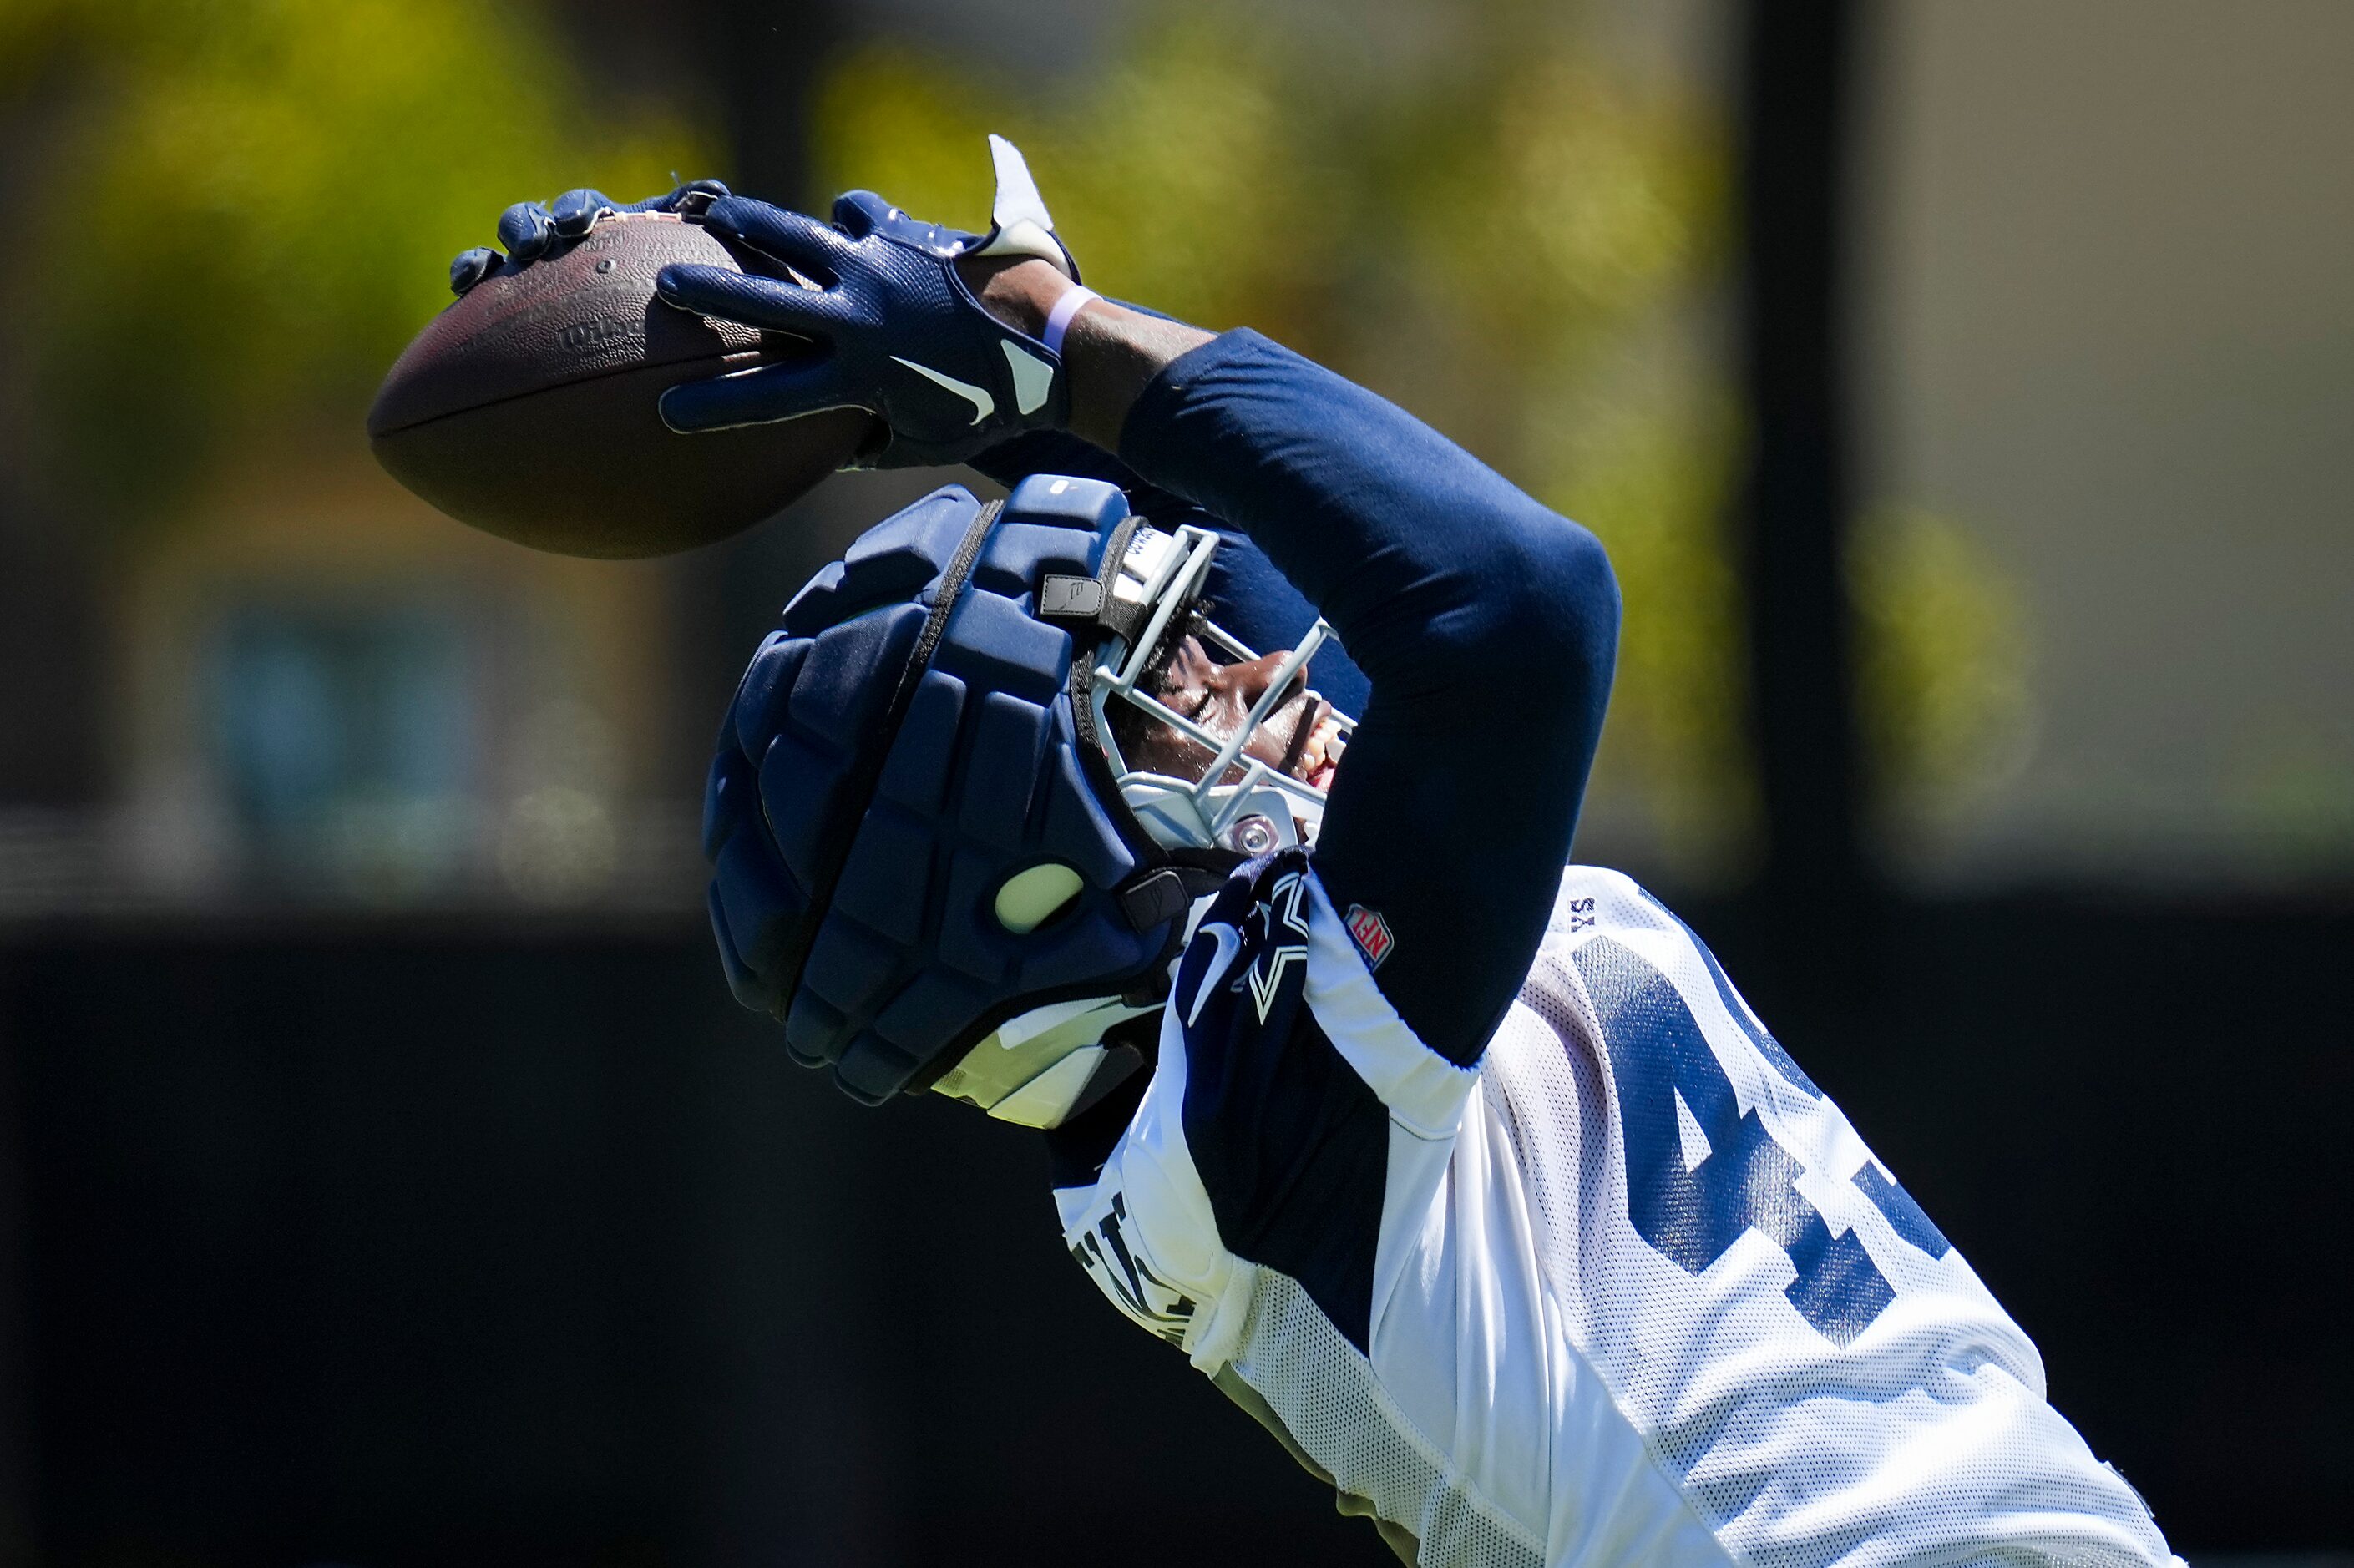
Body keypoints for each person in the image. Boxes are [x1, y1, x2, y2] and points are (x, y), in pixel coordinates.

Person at [458, 141, 2178, 1568]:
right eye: (1161, 682)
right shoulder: (1262, 1091)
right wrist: (1048, 338)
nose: (1256, 671)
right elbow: (1514, 604)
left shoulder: (1222, 1093)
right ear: (1028, 861)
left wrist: (919, 335)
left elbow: (1262, 522)